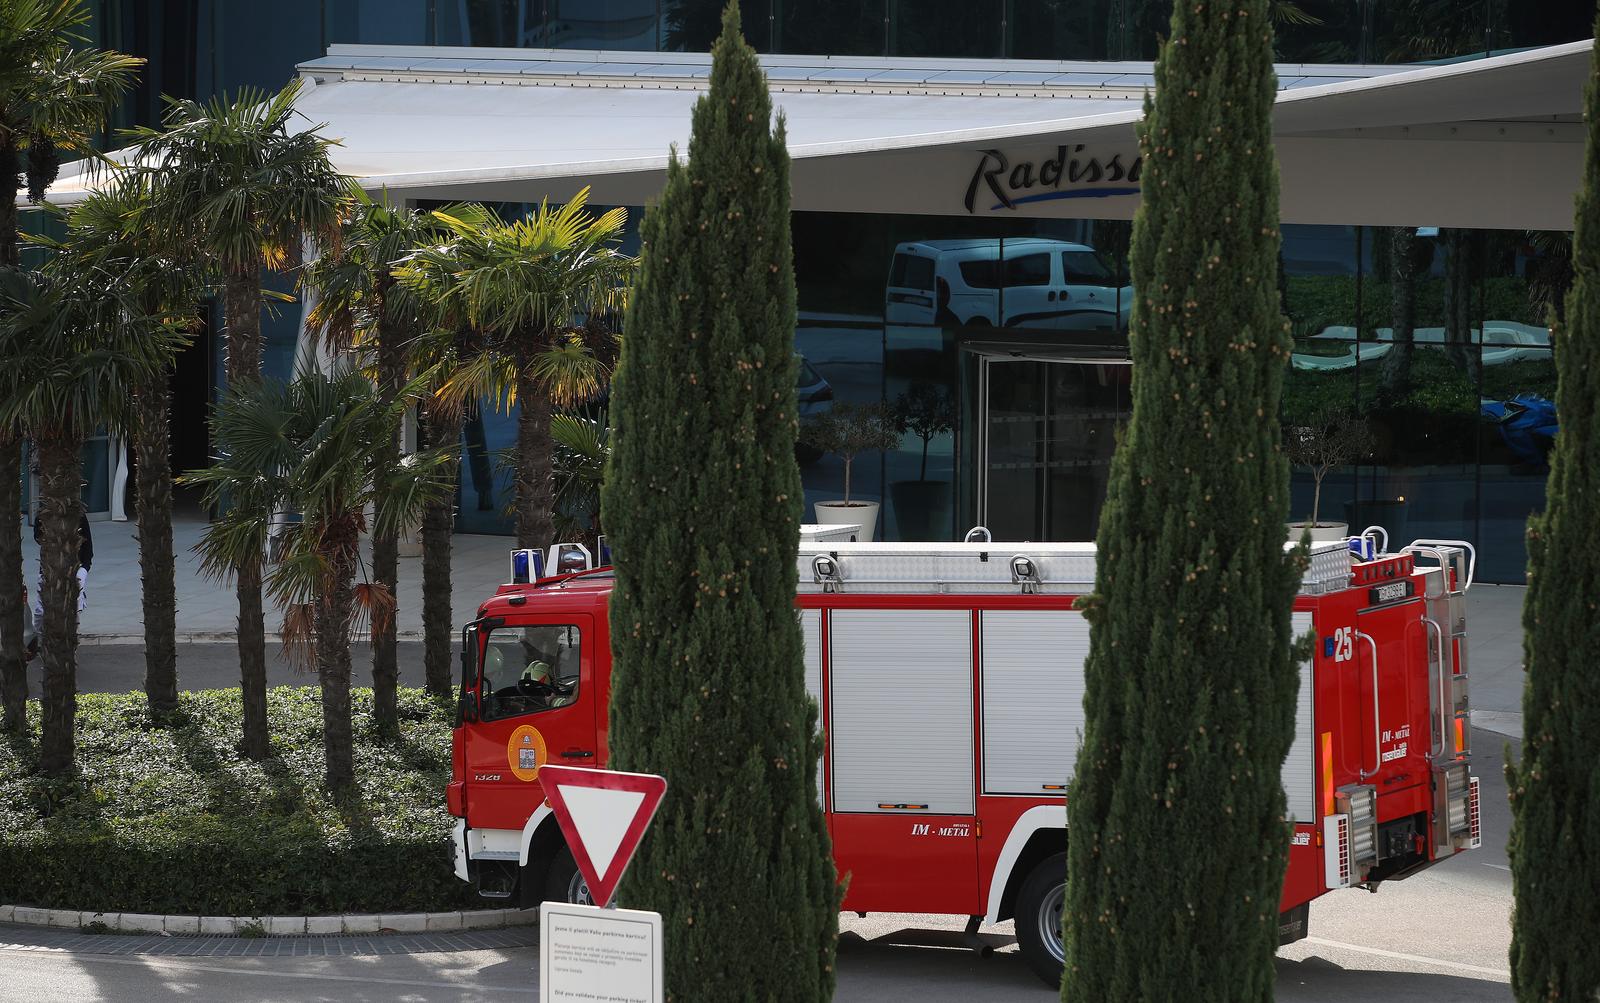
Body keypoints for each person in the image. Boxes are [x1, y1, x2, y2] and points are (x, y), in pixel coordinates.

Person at [27, 509, 93, 660]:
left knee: (72, 609)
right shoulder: (44, 514)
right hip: (49, 569)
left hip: (75, 568)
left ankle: (69, 646)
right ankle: (42, 640)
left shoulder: (79, 516)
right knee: (40, 610)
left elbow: (88, 546)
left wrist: (84, 569)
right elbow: (38, 537)